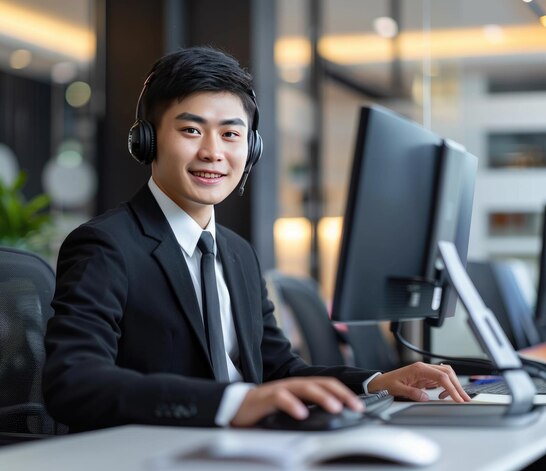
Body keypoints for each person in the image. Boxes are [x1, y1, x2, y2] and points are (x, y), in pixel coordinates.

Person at [43, 46, 470, 433]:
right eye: (191, 130)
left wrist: (375, 381)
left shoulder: (237, 252)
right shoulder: (106, 244)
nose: (213, 151)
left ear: (252, 148)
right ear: (147, 141)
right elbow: (73, 380)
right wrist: (233, 402)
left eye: (231, 134)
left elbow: (277, 366)